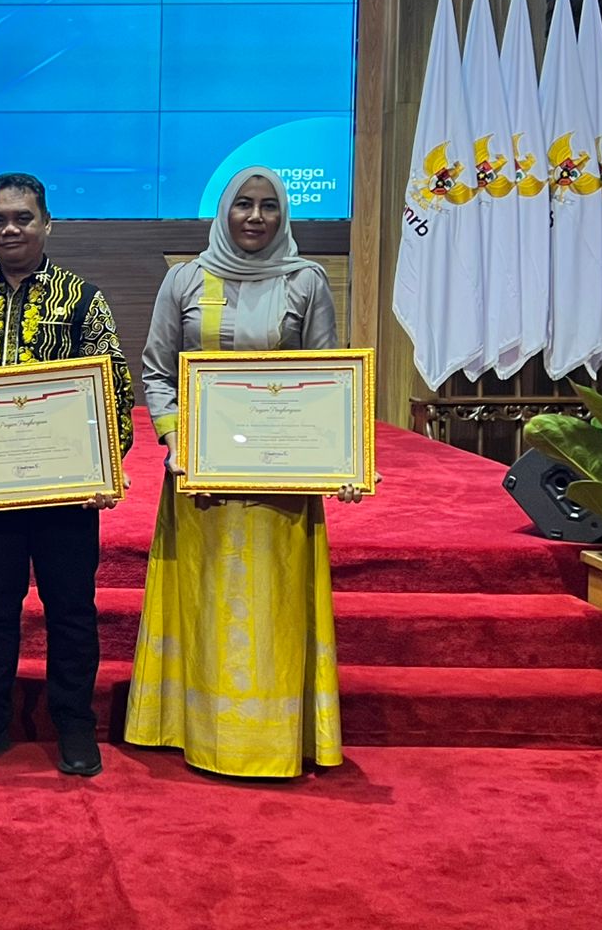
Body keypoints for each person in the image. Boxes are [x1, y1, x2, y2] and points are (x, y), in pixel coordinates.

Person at [124, 166, 365, 778]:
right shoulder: (185, 280)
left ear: (283, 215)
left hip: (280, 484)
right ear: (224, 210)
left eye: (268, 206)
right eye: (243, 204)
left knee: (272, 608)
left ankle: (272, 739)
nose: (256, 217)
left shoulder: (305, 281)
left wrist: (343, 459)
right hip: (199, 478)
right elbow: (157, 371)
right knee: (203, 603)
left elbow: (327, 376)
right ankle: (191, 729)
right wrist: (175, 440)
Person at [0, 173, 134, 777]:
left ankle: (74, 723)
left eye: (22, 218)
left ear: (47, 224)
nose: (9, 229)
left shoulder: (83, 298)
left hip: (67, 491)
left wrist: (105, 468)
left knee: (71, 609)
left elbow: (114, 387)